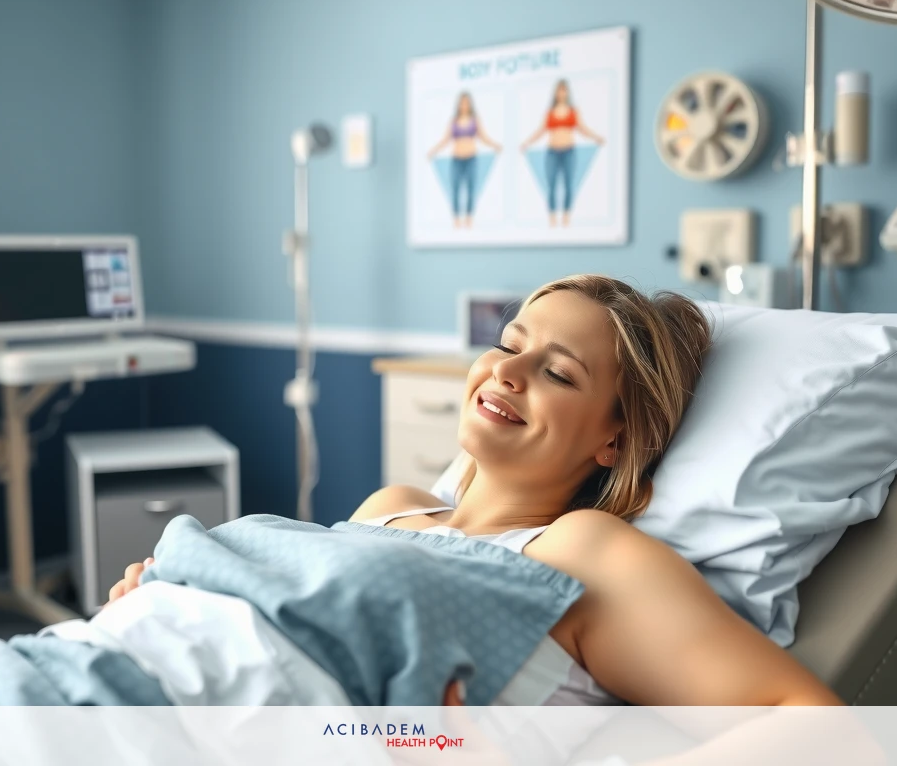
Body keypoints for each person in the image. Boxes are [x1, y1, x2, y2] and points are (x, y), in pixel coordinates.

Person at [113, 274, 842, 707]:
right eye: (508, 344)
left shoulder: (581, 549)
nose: (508, 373)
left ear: (613, 441)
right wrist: (179, 598)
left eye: (557, 373)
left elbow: (806, 724)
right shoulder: (390, 506)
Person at [521, 80, 606, 228]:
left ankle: (566, 221)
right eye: (559, 90)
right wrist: (527, 142)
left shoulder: (573, 112)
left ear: (567, 92)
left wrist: (596, 137)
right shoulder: (550, 113)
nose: (561, 93)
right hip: (552, 152)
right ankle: (553, 222)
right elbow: (541, 131)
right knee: (551, 186)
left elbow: (582, 129)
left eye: (564, 90)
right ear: (556, 93)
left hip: (569, 151)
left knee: (568, 185)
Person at [426, 92, 502, 229]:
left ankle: (468, 222)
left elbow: (483, 137)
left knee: (471, 189)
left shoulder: (475, 120)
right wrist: (433, 150)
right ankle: (456, 222)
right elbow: (445, 140)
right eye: (462, 102)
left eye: (467, 102)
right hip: (456, 159)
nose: (464, 105)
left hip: (471, 158)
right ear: (458, 104)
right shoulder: (453, 121)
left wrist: (495, 145)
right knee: (455, 189)